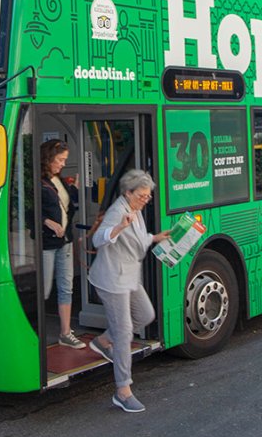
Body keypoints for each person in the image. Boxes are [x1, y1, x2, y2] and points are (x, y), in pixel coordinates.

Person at [88, 169, 171, 414]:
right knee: (124, 332)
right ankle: (122, 391)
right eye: (142, 195)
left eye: (148, 196)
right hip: (112, 279)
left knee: (145, 315)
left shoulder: (134, 209)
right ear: (128, 192)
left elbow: (137, 238)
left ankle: (103, 341)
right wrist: (117, 229)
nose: (146, 199)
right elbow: (98, 240)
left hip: (129, 276)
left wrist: (154, 237)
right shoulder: (118, 211)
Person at [39, 140, 84, 349]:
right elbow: (25, 212)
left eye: (64, 160)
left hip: (64, 241)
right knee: (45, 288)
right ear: (48, 159)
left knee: (66, 287)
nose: (63, 164)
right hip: (47, 242)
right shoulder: (38, 183)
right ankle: (35, 335)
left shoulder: (58, 180)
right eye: (60, 160)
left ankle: (66, 333)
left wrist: (74, 188)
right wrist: (46, 222)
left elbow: (66, 206)